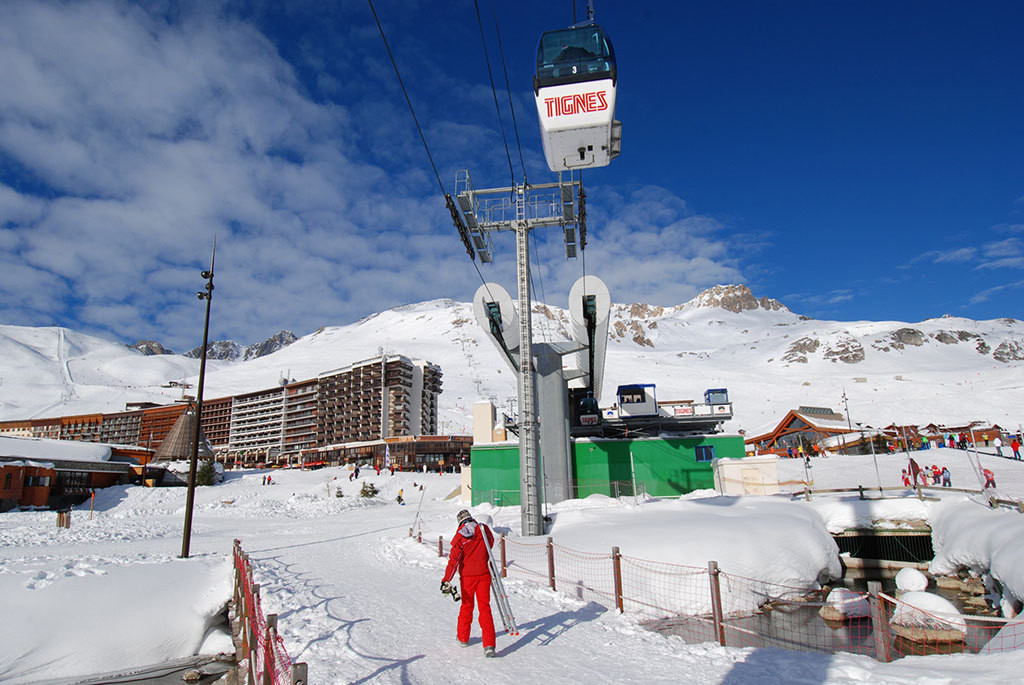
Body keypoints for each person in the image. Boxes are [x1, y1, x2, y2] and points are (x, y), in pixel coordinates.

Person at [441, 510, 497, 657]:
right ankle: (489, 644)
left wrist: (446, 579)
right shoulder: (483, 529)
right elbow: (490, 543)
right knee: (485, 608)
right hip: (484, 574)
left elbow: (454, 560)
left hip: (467, 577)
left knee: (467, 606)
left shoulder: (460, 536)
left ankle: (463, 637)